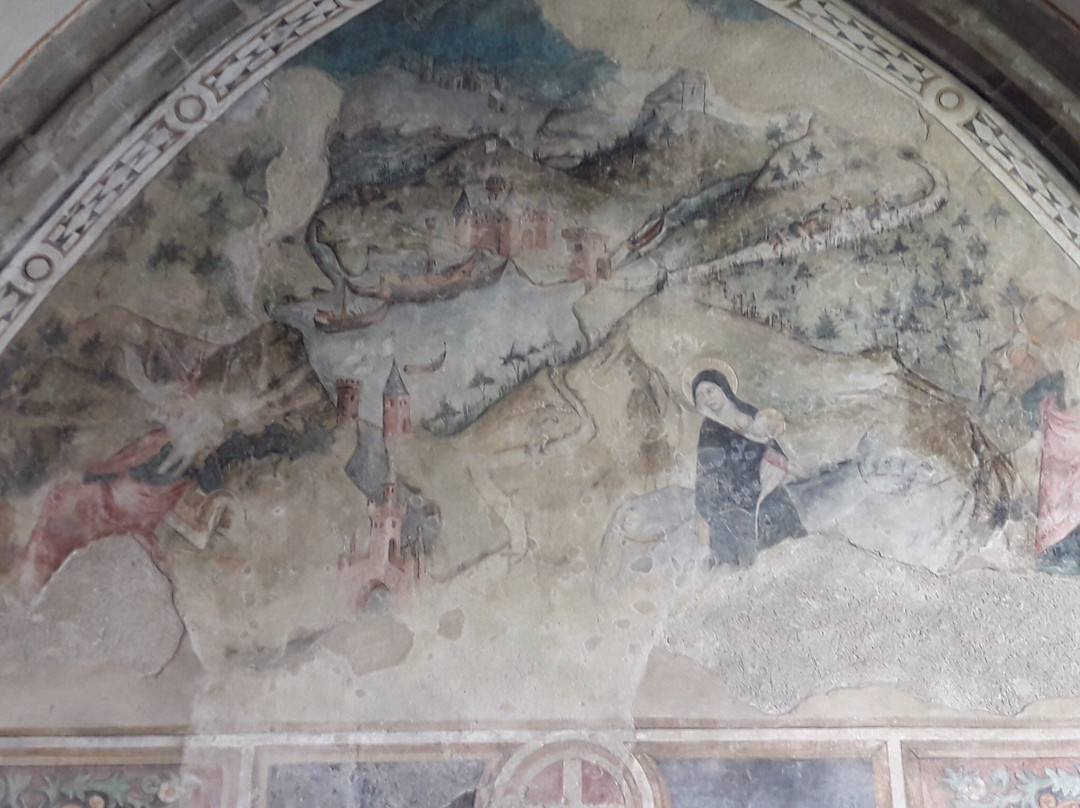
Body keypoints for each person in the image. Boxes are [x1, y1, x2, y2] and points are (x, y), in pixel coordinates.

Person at [687, 362, 806, 566]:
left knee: (779, 503)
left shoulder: (749, 413)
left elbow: (771, 445)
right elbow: (705, 468)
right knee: (731, 524)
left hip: (760, 482)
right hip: (729, 493)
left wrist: (773, 461)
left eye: (710, 390)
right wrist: (708, 503)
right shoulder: (709, 428)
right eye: (701, 395)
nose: (707, 398)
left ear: (723, 387)